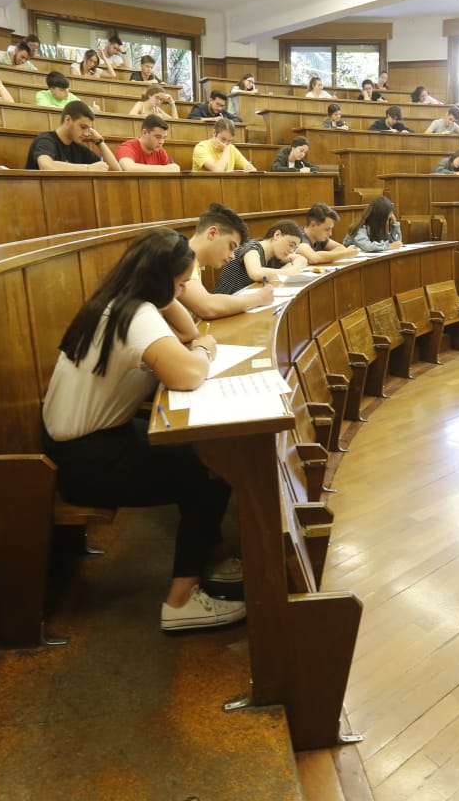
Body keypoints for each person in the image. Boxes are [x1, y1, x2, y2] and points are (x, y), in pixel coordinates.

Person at [40, 227, 244, 632]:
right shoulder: (136, 315)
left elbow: (185, 330)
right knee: (210, 465)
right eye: (182, 283)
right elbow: (188, 371)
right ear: (158, 280)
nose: (186, 291)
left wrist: (174, 300)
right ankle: (181, 601)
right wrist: (204, 351)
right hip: (87, 459)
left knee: (196, 446)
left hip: (80, 440)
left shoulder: (119, 300)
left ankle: (210, 555)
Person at [179, 204, 274, 318]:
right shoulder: (180, 257)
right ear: (212, 233)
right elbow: (207, 307)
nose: (232, 256)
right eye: (231, 246)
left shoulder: (192, 260)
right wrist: (259, 298)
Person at [213, 219, 306, 293]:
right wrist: (288, 272)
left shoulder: (275, 255)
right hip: (224, 303)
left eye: (295, 248)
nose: (291, 251)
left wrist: (288, 271)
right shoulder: (253, 247)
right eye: (291, 244)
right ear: (277, 235)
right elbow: (256, 273)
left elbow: (301, 259)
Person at [27, 101, 121, 172]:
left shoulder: (78, 147)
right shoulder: (45, 140)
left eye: (88, 129)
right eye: (83, 127)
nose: (87, 133)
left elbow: (116, 170)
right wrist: (87, 168)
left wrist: (100, 142)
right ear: (68, 120)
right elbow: (46, 166)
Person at [116, 114, 182, 173]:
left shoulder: (161, 152)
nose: (161, 142)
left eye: (164, 138)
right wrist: (168, 168)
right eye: (158, 137)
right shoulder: (127, 147)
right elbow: (129, 168)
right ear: (144, 133)